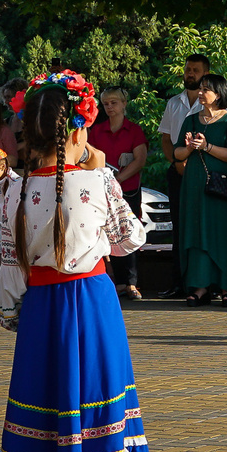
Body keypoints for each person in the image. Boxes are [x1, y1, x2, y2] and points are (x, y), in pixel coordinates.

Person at [0, 71, 158, 452]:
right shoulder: (99, 182)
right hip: (93, 308)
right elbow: (131, 239)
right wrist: (99, 175)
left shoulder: (12, 189)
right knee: (96, 430)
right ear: (80, 131)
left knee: (46, 433)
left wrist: (18, 321)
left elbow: (10, 277)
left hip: (44, 315)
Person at [169, 73, 227, 303]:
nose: (200, 93)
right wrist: (191, 147)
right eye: (200, 89)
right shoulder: (191, 120)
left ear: (218, 94)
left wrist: (207, 146)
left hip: (221, 187)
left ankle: (226, 287)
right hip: (194, 186)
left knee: (222, 233)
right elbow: (177, 153)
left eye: (205, 89)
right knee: (197, 232)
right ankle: (199, 287)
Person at [87, 87, 150, 299]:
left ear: (124, 104)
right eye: (106, 103)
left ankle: (131, 282)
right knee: (106, 234)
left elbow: (140, 159)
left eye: (114, 102)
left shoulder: (134, 130)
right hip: (102, 191)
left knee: (128, 231)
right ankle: (117, 282)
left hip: (128, 190)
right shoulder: (96, 130)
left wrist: (118, 180)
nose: (110, 107)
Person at [158, 55, 209, 269]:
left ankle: (204, 281)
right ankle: (179, 280)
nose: (190, 73)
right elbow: (166, 138)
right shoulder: (173, 103)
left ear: (206, 74)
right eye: (188, 69)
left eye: (195, 70)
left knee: (202, 226)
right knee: (179, 226)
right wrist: (176, 162)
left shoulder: (211, 103)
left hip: (203, 171)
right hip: (178, 170)